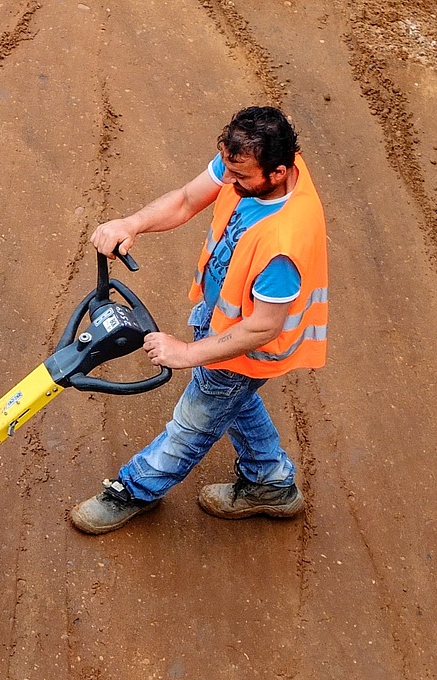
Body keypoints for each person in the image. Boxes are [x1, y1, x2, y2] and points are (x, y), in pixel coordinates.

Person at [70, 105, 328, 535]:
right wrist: (131, 223)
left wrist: (187, 352)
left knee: (193, 423)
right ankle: (271, 482)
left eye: (240, 177)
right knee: (235, 400)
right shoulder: (246, 163)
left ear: (279, 172)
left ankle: (133, 490)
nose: (228, 182)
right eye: (226, 169)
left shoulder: (284, 242)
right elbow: (188, 200)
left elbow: (263, 327)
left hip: (245, 343)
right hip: (223, 322)